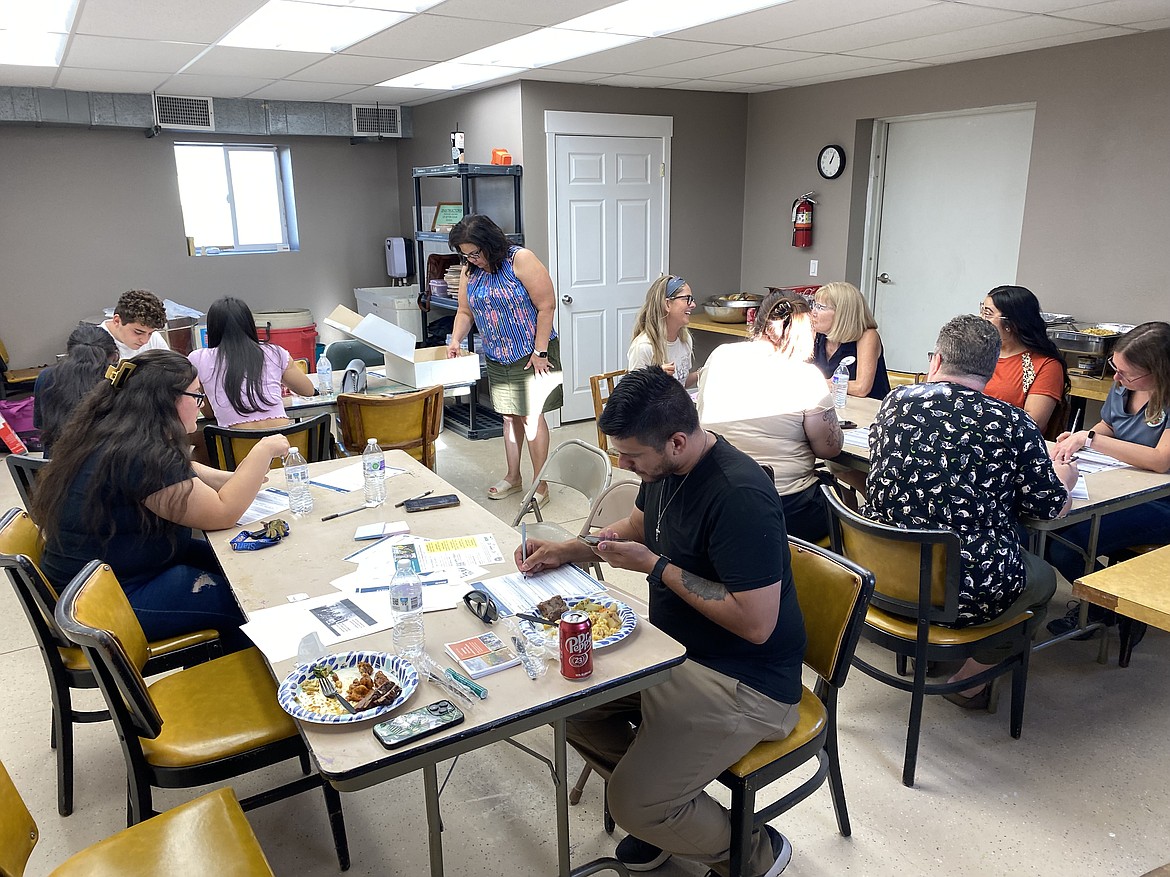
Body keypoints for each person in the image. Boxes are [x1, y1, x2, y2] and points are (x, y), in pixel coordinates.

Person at [517, 366, 805, 877]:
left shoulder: (738, 494)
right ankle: (667, 813)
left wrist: (657, 568)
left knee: (632, 803)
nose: (623, 465)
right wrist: (572, 549)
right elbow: (639, 527)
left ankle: (754, 850)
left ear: (676, 441)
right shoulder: (667, 471)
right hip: (676, 655)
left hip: (747, 682)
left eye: (632, 456)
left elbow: (757, 623)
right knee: (571, 706)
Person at [866, 315, 1076, 708]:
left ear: (938, 359)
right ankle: (968, 681)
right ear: (992, 368)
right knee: (1044, 580)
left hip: (882, 574)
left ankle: (930, 651)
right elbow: (1049, 507)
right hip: (966, 590)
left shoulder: (896, 402)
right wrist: (1065, 477)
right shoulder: (1012, 423)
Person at [31, 350, 290, 653]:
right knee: (247, 602)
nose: (200, 406)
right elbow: (222, 513)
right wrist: (262, 450)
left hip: (107, 577)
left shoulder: (117, 435)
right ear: (168, 400)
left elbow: (189, 472)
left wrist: (240, 479)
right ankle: (236, 682)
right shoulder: (140, 456)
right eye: (197, 397)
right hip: (101, 602)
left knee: (238, 561)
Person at [1047, 322, 1170, 639]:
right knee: (1047, 527)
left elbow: (1160, 460)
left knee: (1067, 544)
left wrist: (1091, 440)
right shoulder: (1124, 385)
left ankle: (1111, 606)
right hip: (1121, 485)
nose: (1117, 378)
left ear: (1158, 372)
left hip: (1159, 501)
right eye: (1115, 368)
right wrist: (1075, 439)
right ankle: (1108, 602)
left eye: (1126, 373)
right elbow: (1110, 426)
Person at [698, 292, 842, 542]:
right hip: (785, 506)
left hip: (715, 499)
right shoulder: (806, 376)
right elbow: (829, 449)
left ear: (755, 319)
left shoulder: (719, 355)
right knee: (842, 500)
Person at [447, 214, 563, 505]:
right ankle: (513, 476)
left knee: (532, 416)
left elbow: (546, 305)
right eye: (465, 255)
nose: (472, 259)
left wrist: (540, 352)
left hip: (531, 352)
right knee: (509, 416)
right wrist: (455, 339)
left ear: (491, 243)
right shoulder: (469, 271)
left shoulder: (519, 260)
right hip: (497, 353)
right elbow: (465, 311)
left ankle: (541, 483)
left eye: (475, 252)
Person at [188, 296, 317, 428]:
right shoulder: (275, 353)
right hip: (281, 440)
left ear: (211, 330)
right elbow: (308, 390)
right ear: (250, 325)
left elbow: (209, 413)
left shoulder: (198, 359)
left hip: (236, 444)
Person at [980, 285, 1071, 437]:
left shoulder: (1045, 365)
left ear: (1010, 324)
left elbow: (1033, 422)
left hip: (1010, 444)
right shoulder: (978, 351)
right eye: (982, 311)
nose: (981, 320)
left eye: (988, 314)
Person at [32, 323, 118, 458]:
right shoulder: (117, 381)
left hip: (54, 468)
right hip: (103, 468)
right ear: (114, 356)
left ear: (69, 352)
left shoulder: (46, 377)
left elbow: (41, 424)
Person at [810, 282, 891, 400]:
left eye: (820, 307)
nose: (813, 313)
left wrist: (819, 384)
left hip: (868, 411)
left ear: (842, 314)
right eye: (814, 305)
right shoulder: (817, 334)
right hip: (832, 406)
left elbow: (861, 388)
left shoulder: (867, 336)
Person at [627, 275, 697, 387]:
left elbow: (681, 383)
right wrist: (656, 377)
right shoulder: (644, 347)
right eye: (686, 299)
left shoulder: (685, 339)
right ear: (667, 304)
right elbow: (633, 396)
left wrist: (702, 372)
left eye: (692, 299)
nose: (693, 305)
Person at [100, 289, 170, 359]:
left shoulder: (154, 338)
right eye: (138, 332)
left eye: (150, 333)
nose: (145, 341)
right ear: (117, 321)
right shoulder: (94, 345)